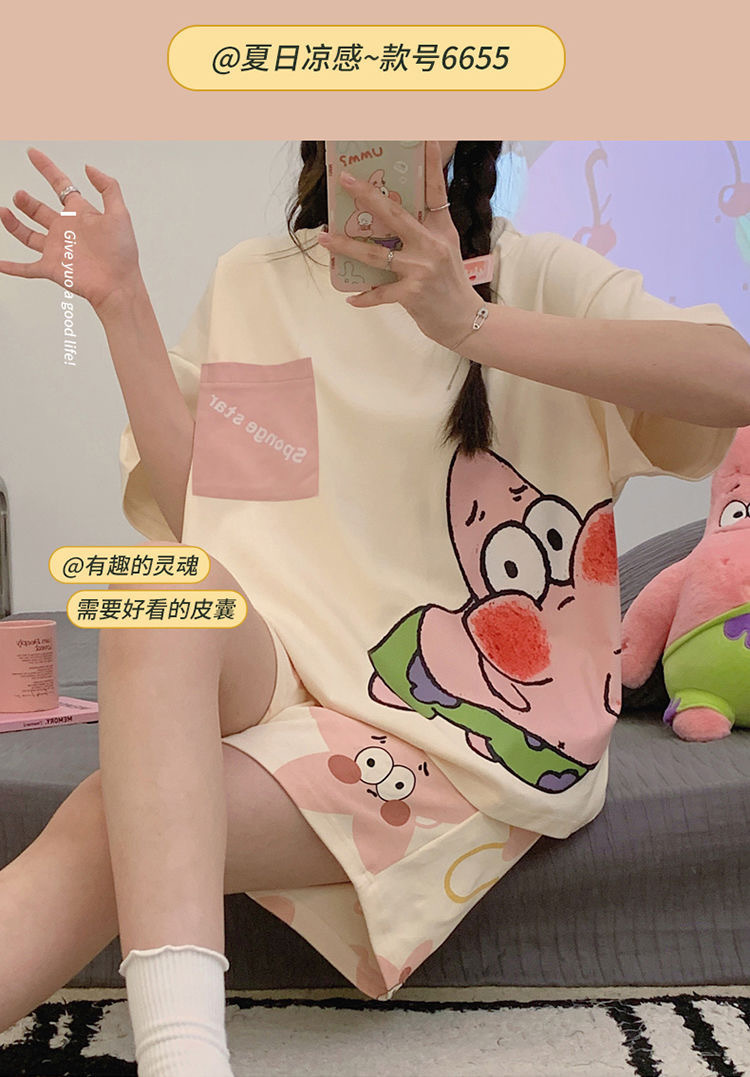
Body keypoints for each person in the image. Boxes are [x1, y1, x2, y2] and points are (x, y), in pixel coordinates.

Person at [0, 140, 748, 1077]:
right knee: (155, 592)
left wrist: (469, 322)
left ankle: (180, 1055)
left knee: (113, 818)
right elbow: (212, 525)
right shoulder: (256, 281)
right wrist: (123, 304)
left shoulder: (540, 275)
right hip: (284, 673)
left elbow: (732, 376)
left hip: (459, 735)